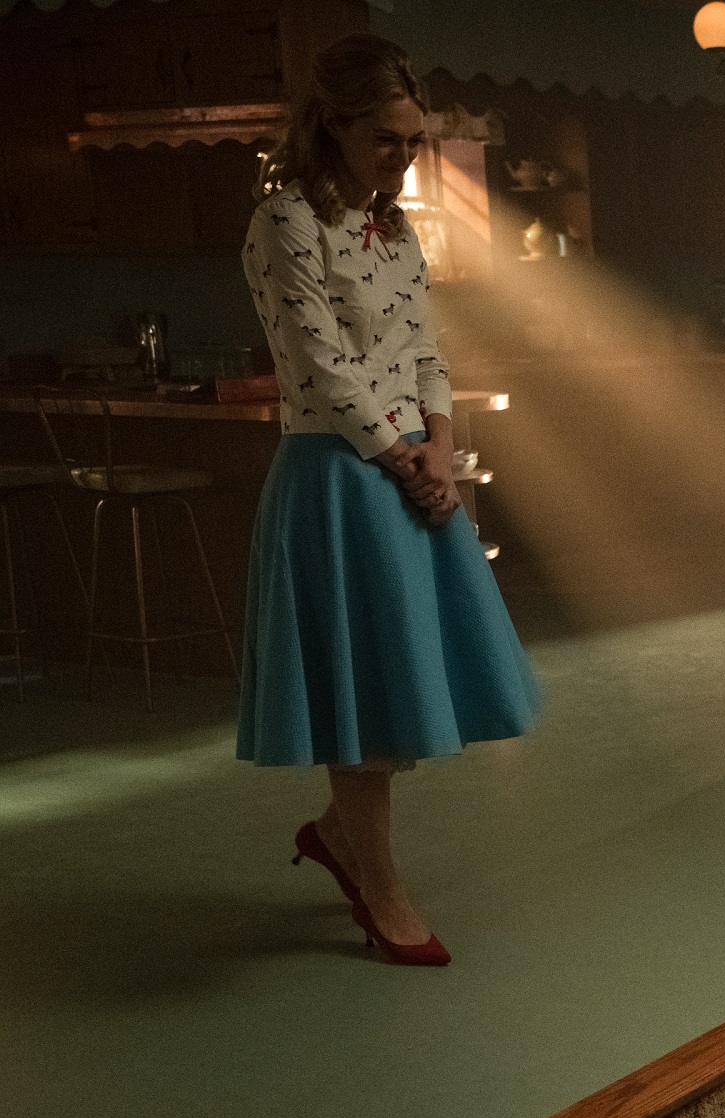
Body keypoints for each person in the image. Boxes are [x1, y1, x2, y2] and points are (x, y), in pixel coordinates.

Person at [239, 34, 538, 966]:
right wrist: (407, 460)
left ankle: (339, 834)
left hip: (410, 471)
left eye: (413, 141)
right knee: (361, 697)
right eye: (386, 139)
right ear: (332, 125)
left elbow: (425, 352)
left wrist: (442, 446)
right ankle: (382, 888)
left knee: (399, 679)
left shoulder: (395, 229)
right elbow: (323, 367)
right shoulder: (285, 221)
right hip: (337, 479)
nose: (403, 158)